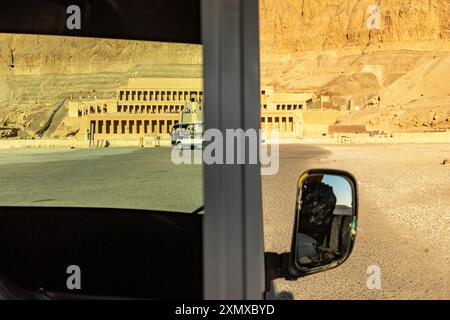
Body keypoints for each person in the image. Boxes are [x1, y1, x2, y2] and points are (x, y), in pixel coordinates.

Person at [297, 174, 337, 263]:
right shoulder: (310, 192)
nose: (306, 180)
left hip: (309, 242)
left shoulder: (323, 194)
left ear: (319, 177)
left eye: (308, 177)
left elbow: (306, 223)